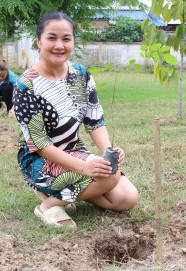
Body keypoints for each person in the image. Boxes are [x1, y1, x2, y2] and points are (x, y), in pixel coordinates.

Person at [12, 12, 138, 229]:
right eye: (52, 38)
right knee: (109, 178)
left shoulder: (81, 74)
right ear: (39, 41)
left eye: (66, 39)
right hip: (39, 161)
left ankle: (67, 194)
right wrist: (84, 168)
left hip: (74, 151)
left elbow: (95, 121)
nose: (59, 45)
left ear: (72, 41)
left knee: (126, 198)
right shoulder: (26, 86)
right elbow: (39, 144)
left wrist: (109, 154)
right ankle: (48, 205)